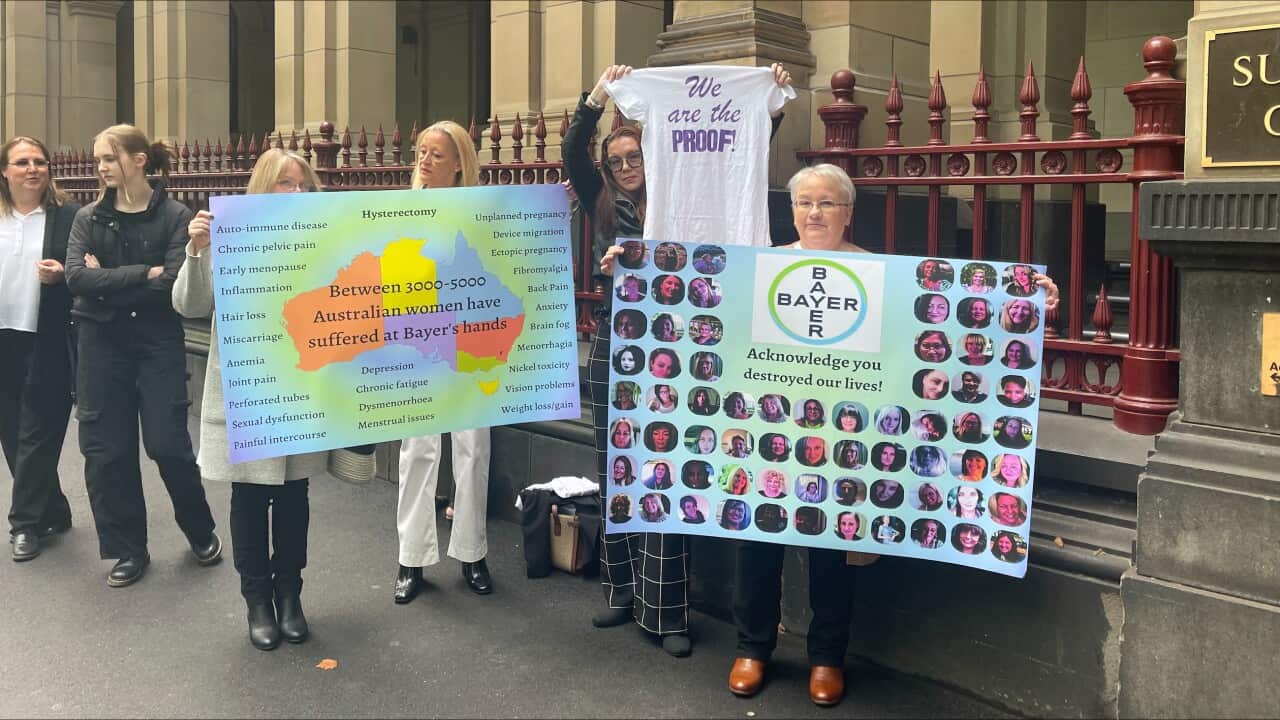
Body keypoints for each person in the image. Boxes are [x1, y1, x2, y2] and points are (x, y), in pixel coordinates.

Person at [176, 148, 323, 650]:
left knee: (293, 496)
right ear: (264, 187)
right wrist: (197, 250)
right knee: (251, 495)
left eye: (302, 184)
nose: (296, 193)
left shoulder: (322, 235)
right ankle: (257, 601)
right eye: (285, 183)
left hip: (301, 385)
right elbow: (190, 304)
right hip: (250, 385)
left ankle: (291, 597)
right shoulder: (229, 233)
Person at [64, 124, 220, 588]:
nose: (101, 168)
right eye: (97, 160)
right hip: (100, 343)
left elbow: (171, 284)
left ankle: (200, 529)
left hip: (157, 342)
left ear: (137, 160)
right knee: (107, 451)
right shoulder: (88, 217)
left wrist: (107, 277)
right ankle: (128, 549)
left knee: (167, 444)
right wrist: (138, 274)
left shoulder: (174, 216)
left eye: (109, 158)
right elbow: (76, 278)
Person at [395, 121, 494, 603]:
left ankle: (472, 552)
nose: (425, 161)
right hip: (418, 341)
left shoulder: (482, 210)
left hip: (471, 341)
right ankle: (410, 558)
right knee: (418, 448)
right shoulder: (401, 210)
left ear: (459, 164)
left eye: (436, 154)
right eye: (421, 152)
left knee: (472, 446)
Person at [0, 136, 79, 563]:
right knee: (11, 432)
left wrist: (65, 274)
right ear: (5, 171)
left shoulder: (68, 217)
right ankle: (53, 508)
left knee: (41, 429)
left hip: (47, 334)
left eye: (40, 161)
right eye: (22, 162)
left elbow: (89, 270)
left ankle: (24, 523)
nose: (33, 168)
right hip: (2, 335)